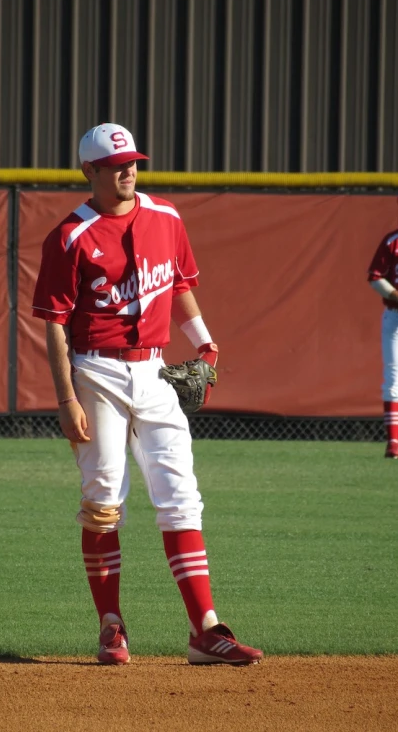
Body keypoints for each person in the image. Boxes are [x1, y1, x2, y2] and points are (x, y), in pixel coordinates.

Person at [31, 122, 263, 665]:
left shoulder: (166, 217)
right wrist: (65, 398)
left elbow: (178, 285)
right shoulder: (70, 236)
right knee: (105, 498)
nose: (128, 170)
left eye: (133, 161)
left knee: (181, 495)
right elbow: (54, 325)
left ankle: (205, 630)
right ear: (89, 172)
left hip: (155, 371)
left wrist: (205, 344)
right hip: (96, 372)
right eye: (115, 165)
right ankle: (111, 625)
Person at [367, 229, 398, 459]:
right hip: (395, 314)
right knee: (393, 378)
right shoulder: (393, 240)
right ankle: (394, 444)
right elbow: (375, 277)